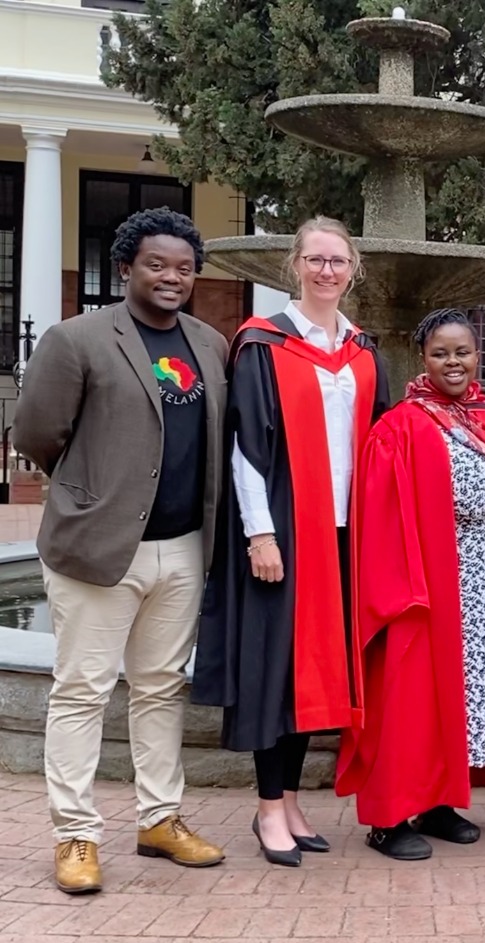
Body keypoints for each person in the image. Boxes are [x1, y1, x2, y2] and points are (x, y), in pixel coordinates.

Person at [13, 208, 228, 894]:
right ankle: (75, 833)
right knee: (82, 689)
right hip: (102, 545)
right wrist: (88, 493)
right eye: (158, 264)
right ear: (127, 266)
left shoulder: (208, 342)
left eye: (185, 267)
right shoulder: (77, 339)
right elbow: (37, 433)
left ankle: (159, 817)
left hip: (184, 546)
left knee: (162, 686)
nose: (172, 277)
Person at [193, 216, 389, 867]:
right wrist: (261, 534)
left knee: (320, 676)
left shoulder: (363, 349)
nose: (327, 270)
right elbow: (248, 450)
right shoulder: (264, 343)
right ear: (295, 265)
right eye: (316, 259)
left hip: (343, 536)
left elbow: (383, 446)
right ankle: (268, 805)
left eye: (338, 260)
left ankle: (293, 800)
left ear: (352, 268)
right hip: (283, 531)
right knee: (274, 671)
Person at [335, 309, 485, 860]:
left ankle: (436, 802)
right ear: (423, 358)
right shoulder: (401, 425)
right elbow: (378, 515)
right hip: (428, 579)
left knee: (462, 699)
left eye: (464, 352)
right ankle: (387, 817)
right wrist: (400, 586)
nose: (454, 363)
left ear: (480, 356)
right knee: (410, 696)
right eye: (441, 354)